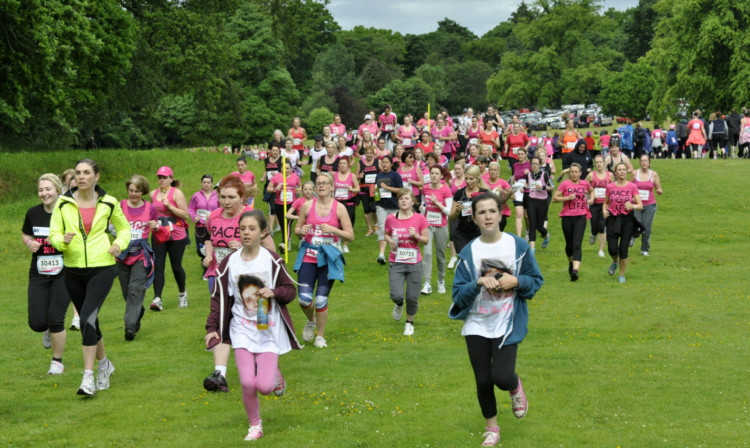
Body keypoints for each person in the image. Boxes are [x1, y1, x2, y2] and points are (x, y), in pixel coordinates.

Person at [449, 192, 543, 447]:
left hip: (507, 322)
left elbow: (535, 281)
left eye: (492, 211)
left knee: (501, 376)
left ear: (501, 214)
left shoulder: (517, 246)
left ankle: (514, 386)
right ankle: (492, 429)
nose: (488, 216)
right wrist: (478, 282)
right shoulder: (469, 251)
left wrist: (517, 281)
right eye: (482, 212)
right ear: (475, 217)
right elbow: (457, 293)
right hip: (477, 323)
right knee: (482, 379)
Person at [204, 210, 299, 441]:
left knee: (264, 387)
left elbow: (290, 291)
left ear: (263, 232)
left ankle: (274, 376)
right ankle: (255, 425)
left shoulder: (272, 260)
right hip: (241, 329)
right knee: (247, 382)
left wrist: (274, 292)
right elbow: (218, 297)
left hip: (267, 327)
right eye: (243, 228)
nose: (246, 233)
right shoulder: (230, 262)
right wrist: (212, 328)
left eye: (252, 229)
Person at [49, 159, 131, 395]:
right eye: (78, 173)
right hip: (73, 270)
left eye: (86, 173)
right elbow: (54, 232)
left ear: (97, 176)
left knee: (85, 318)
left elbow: (124, 229)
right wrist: (59, 241)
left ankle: (88, 378)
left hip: (102, 267)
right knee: (91, 321)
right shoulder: (63, 203)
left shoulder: (108, 202)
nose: (81, 177)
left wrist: (118, 243)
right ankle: (105, 364)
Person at [202, 175, 259, 392]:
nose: (226, 202)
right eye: (222, 197)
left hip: (250, 278)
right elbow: (209, 238)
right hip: (219, 276)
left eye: (231, 197)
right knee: (221, 322)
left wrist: (246, 246)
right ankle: (220, 374)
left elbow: (268, 247)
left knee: (256, 322)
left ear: (242, 197)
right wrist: (208, 256)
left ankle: (263, 363)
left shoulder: (251, 216)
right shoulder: (213, 216)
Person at [293, 173, 354, 348]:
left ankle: (320, 336)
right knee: (304, 299)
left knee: (320, 299)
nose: (321, 186)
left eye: (324, 183)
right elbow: (297, 229)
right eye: (318, 183)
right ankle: (311, 320)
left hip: (329, 258)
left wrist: (334, 230)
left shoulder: (339, 208)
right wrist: (301, 230)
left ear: (332, 187)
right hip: (308, 256)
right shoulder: (306, 206)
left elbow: (350, 236)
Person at [23, 173, 71, 374]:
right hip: (39, 273)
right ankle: (47, 329)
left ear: (58, 190)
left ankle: (57, 361)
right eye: (41, 190)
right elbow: (26, 233)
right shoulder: (33, 213)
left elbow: (80, 236)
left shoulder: (68, 212)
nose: (44, 193)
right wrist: (29, 242)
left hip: (65, 272)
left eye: (48, 189)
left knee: (55, 318)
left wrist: (65, 240)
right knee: (36, 322)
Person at [117, 175, 158, 341]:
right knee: (127, 293)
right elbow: (111, 225)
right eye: (131, 190)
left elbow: (157, 228)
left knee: (136, 290)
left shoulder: (150, 208)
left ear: (143, 191)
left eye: (137, 191)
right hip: (122, 256)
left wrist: (156, 226)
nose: (133, 194)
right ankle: (138, 311)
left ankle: (130, 327)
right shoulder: (120, 206)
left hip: (141, 255)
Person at [385, 189, 429, 335]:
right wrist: (390, 240)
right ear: (398, 201)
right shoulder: (391, 218)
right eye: (401, 198)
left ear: (412, 201)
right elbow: (386, 233)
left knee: (412, 297)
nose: (403, 201)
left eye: (406, 198)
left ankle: (409, 323)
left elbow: (426, 240)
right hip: (396, 261)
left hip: (414, 263)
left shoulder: (419, 219)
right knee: (397, 295)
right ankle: (398, 304)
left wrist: (416, 235)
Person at [149, 166, 190, 311]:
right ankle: (157, 299)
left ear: (171, 179)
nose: (161, 180)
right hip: (159, 233)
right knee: (158, 265)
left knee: (176, 266)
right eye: (159, 177)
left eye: (165, 177)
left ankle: (182, 293)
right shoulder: (153, 193)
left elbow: (185, 215)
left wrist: (170, 207)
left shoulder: (177, 193)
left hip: (176, 234)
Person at [603, 162, 644, 283]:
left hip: (627, 220)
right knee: (612, 249)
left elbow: (640, 205)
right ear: (615, 172)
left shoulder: (632, 186)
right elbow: (605, 202)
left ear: (627, 172)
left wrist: (633, 205)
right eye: (619, 170)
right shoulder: (610, 186)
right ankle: (615, 261)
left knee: (623, 249)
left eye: (623, 170)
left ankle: (621, 275)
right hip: (613, 219)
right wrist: (604, 211)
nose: (621, 172)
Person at [552, 163, 593, 281]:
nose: (574, 174)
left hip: (581, 216)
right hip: (567, 217)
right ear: (569, 173)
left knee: (577, 244)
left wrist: (591, 198)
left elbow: (592, 191)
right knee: (569, 245)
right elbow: (555, 198)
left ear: (580, 173)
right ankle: (571, 262)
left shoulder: (585, 183)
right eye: (572, 172)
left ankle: (575, 271)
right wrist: (567, 198)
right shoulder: (565, 184)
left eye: (576, 172)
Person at [421, 166, 453, 295]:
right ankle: (427, 283)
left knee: (440, 256)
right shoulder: (425, 188)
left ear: (441, 176)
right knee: (427, 254)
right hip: (427, 225)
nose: (434, 176)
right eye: (432, 173)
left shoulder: (446, 190)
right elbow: (424, 204)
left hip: (441, 226)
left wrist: (437, 203)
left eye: (436, 174)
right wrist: (422, 207)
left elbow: (449, 211)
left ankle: (441, 280)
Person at [449, 165, 490, 254]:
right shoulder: (459, 193)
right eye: (466, 178)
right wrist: (456, 211)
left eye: (471, 179)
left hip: (480, 233)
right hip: (462, 233)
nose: (468, 182)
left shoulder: (484, 193)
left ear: (477, 178)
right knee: (465, 259)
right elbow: (451, 218)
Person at [267, 158, 301, 255]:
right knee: (283, 225)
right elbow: (268, 189)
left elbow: (300, 186)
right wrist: (275, 189)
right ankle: (287, 241)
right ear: (281, 168)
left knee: (288, 223)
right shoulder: (276, 177)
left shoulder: (295, 177)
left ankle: (285, 244)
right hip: (279, 204)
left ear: (291, 169)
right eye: (283, 168)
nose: (285, 170)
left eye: (287, 168)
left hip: (292, 204)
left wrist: (299, 190)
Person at [374, 155, 404, 264]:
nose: (385, 164)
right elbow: (377, 189)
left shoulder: (395, 175)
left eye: (387, 162)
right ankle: (381, 254)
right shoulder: (378, 176)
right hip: (381, 205)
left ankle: (395, 252)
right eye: (383, 162)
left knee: (395, 231)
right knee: (382, 228)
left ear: (391, 164)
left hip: (394, 206)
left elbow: (400, 190)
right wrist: (375, 192)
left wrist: (387, 188)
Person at [632, 155, 663, 256]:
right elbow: (628, 187)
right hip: (636, 204)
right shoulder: (634, 173)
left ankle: (645, 249)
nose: (644, 163)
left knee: (646, 227)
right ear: (640, 163)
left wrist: (659, 191)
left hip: (650, 204)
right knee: (636, 224)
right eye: (642, 161)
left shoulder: (653, 174)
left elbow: (659, 188)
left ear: (649, 163)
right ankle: (632, 236)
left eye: (646, 161)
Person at [189, 174, 220, 267]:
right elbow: (190, 208)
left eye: (208, 182)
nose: (206, 184)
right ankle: (205, 262)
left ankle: (208, 267)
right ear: (201, 184)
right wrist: (194, 217)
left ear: (212, 184)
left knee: (211, 246)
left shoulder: (217, 195)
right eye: (204, 182)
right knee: (200, 249)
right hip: (200, 226)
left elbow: (220, 208)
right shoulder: (196, 196)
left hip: (213, 226)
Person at [585, 156, 613, 258]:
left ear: (604, 164)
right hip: (594, 204)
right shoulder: (591, 175)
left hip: (605, 204)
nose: (598, 164)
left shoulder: (610, 175)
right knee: (594, 225)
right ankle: (593, 234)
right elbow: (583, 187)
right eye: (596, 162)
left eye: (600, 162)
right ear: (594, 164)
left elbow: (613, 187)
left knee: (603, 226)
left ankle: (601, 250)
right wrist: (591, 193)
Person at [333, 157, 360, 253]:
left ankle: (345, 245)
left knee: (347, 224)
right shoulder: (335, 175)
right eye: (341, 164)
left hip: (348, 202)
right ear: (338, 166)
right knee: (336, 223)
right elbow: (332, 187)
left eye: (344, 163)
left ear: (348, 165)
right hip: (337, 202)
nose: (343, 165)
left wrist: (352, 189)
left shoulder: (352, 176)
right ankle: (337, 242)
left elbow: (358, 189)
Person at [525, 157, 552, 252]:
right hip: (531, 200)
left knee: (539, 226)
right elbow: (527, 184)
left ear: (540, 165)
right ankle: (532, 248)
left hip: (542, 202)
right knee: (532, 224)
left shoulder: (545, 174)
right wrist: (523, 188)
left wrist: (542, 187)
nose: (534, 165)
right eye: (533, 163)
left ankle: (546, 235)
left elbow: (552, 187)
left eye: (536, 164)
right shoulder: (528, 174)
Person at [358, 145, 380, 237]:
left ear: (374, 154)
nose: (369, 155)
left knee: (374, 208)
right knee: (367, 210)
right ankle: (369, 229)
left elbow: (383, 173)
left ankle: (376, 224)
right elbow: (356, 176)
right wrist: (360, 176)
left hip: (375, 189)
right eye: (367, 153)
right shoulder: (360, 162)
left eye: (371, 153)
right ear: (365, 154)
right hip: (364, 188)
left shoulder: (377, 161)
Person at [262, 144, 282, 234]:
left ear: (279, 151)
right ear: (270, 151)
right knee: (272, 205)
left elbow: (285, 171)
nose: (275, 152)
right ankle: (278, 225)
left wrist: (277, 173)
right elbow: (265, 170)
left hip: (278, 185)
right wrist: (263, 178)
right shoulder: (266, 160)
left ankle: (270, 230)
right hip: (268, 184)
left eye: (276, 150)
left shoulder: (282, 160)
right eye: (273, 150)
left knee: (273, 206)